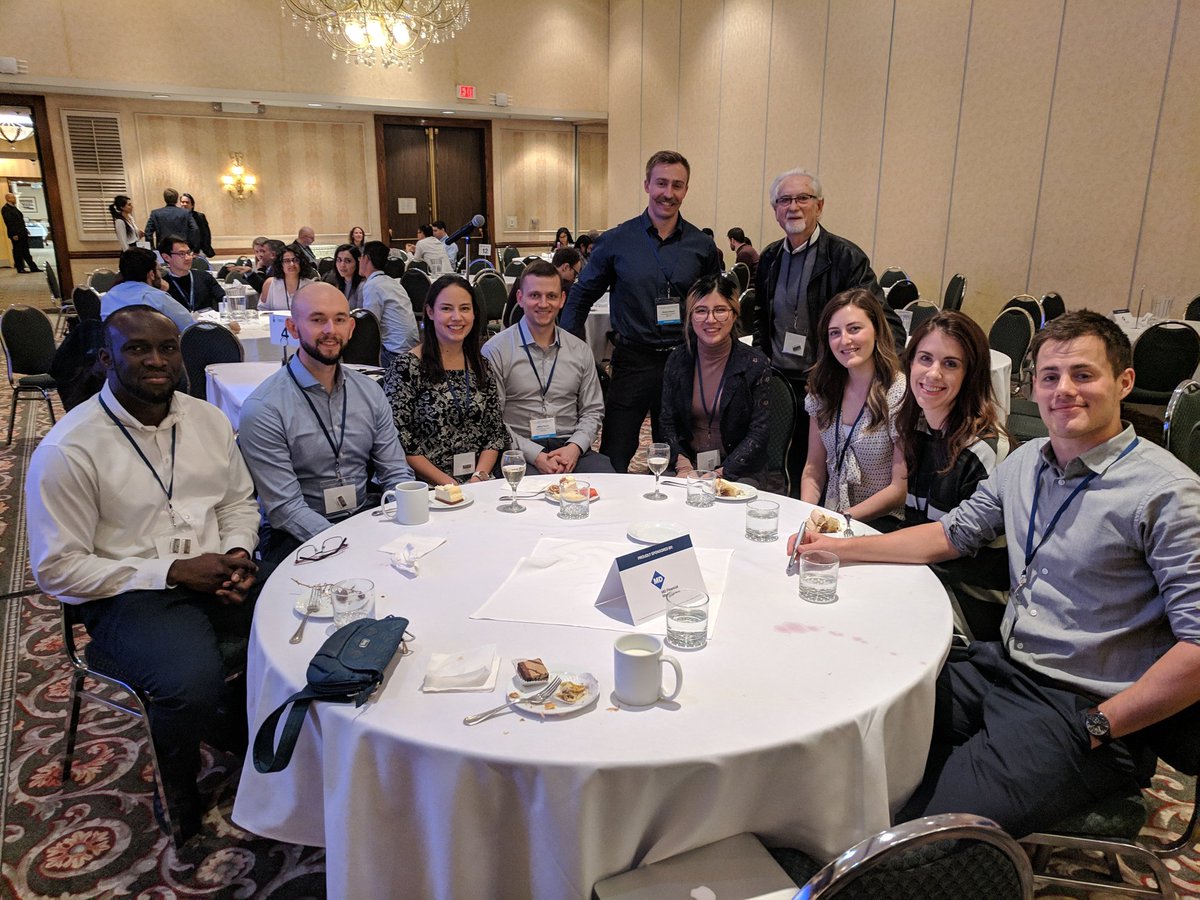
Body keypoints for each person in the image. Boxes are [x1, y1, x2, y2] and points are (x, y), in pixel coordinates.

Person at [790, 309, 1200, 837]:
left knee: (921, 832)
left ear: (1124, 382)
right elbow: (949, 534)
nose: (1063, 390)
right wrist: (836, 549)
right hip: (1002, 666)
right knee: (860, 722)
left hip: (1081, 708)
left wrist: (1102, 726)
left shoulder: (1167, 495)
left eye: (1083, 374)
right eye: (1050, 377)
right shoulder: (1027, 461)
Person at [25, 305, 262, 842]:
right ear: (106, 358)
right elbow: (58, 569)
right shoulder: (70, 448)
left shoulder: (208, 419)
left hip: (216, 569)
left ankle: (255, 741)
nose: (156, 360)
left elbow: (237, 503)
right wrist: (174, 571)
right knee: (189, 683)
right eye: (137, 349)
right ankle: (181, 791)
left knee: (308, 621)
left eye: (167, 348)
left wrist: (239, 554)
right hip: (125, 594)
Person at [560, 150, 722, 473]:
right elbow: (580, 295)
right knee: (616, 452)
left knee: (679, 455)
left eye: (678, 185)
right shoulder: (616, 240)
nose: (668, 193)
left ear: (686, 190)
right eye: (661, 183)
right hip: (632, 361)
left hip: (683, 361)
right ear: (647, 184)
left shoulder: (701, 246)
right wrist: (568, 349)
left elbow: (716, 306)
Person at [238, 282, 415, 565]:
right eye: (318, 320)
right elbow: (286, 509)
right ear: (293, 328)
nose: (331, 330)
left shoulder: (370, 392)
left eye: (340, 319)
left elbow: (395, 473)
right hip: (296, 534)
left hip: (363, 517)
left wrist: (405, 521)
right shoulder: (264, 408)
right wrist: (347, 545)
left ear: (351, 328)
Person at [754, 169, 903, 485]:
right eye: (784, 200)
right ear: (775, 211)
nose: (793, 206)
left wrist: (875, 379)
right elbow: (760, 318)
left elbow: (886, 324)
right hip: (779, 380)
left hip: (826, 382)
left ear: (819, 206)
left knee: (817, 468)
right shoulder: (769, 258)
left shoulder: (845, 257)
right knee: (777, 465)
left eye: (803, 198)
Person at [891, 310, 1010, 640]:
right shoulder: (918, 430)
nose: (933, 373)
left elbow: (945, 547)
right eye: (925, 358)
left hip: (967, 604)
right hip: (924, 577)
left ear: (970, 375)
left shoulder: (984, 449)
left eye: (950, 364)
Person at [482, 261, 611, 475]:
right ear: (520, 298)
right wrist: (536, 455)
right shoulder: (496, 350)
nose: (543, 304)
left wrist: (574, 447)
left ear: (562, 300)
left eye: (551, 296)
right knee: (529, 499)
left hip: (569, 447)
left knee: (606, 487)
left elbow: (593, 410)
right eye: (535, 295)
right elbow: (492, 420)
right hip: (518, 450)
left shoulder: (579, 349)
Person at [384, 274, 507, 486]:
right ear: (430, 312)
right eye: (447, 308)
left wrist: (478, 478)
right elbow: (400, 439)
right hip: (428, 487)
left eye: (465, 308)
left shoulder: (481, 365)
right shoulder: (407, 367)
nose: (457, 317)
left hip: (480, 482)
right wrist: (451, 486)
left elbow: (494, 431)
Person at [801, 289, 906, 520]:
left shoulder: (898, 392)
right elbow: (813, 469)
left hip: (883, 524)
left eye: (854, 329)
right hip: (833, 515)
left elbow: (898, 490)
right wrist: (806, 514)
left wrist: (841, 519)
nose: (845, 340)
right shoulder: (823, 389)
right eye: (834, 333)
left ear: (876, 330)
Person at [661, 274, 770, 485]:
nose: (710, 320)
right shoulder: (678, 359)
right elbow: (667, 422)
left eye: (720, 310)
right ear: (690, 317)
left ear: (734, 313)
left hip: (738, 468)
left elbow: (759, 432)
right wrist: (683, 466)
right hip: (687, 464)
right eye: (701, 311)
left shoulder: (755, 363)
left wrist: (721, 474)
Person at [102, 247, 195, 333]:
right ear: (151, 274)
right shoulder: (157, 298)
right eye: (158, 270)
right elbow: (190, 327)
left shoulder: (107, 297)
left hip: (116, 349)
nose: (160, 274)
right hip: (151, 349)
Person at [358, 240, 419, 366]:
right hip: (412, 348)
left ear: (366, 259)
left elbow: (371, 326)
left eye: (360, 257)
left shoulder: (372, 286)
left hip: (394, 353)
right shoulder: (391, 282)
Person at [158, 235, 225, 313]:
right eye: (182, 254)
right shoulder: (163, 285)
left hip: (207, 323)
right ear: (166, 257)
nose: (188, 258)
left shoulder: (205, 277)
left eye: (189, 253)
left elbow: (224, 300)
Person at [259, 242, 316, 311]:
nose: (292, 264)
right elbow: (262, 311)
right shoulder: (270, 284)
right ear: (281, 264)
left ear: (301, 263)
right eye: (287, 261)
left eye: (296, 260)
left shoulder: (310, 286)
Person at [3, 192, 39, 274]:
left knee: (26, 251)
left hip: (22, 232)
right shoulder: (6, 209)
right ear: (8, 198)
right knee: (18, 252)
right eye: (13, 197)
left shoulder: (14, 208)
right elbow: (9, 222)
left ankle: (33, 267)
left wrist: (25, 230)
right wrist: (14, 234)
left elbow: (20, 221)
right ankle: (20, 268)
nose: (15, 199)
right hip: (16, 234)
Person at [322, 243, 364, 308]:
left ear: (357, 263)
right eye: (339, 260)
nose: (342, 265)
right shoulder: (334, 282)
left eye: (348, 261)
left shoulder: (362, 286)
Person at [179, 193, 214, 258]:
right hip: (182, 252)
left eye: (187, 202)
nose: (184, 204)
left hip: (199, 251)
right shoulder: (177, 217)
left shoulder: (200, 217)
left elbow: (206, 235)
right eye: (182, 202)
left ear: (192, 205)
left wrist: (198, 251)